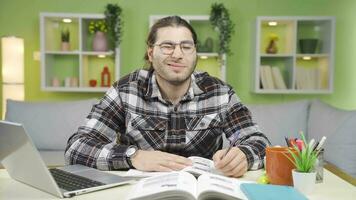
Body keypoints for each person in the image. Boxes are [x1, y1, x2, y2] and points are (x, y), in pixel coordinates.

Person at [65, 16, 270, 178]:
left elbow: (259, 142)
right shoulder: (125, 91)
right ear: (151, 53)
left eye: (186, 46)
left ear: (195, 53)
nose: (178, 54)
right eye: (168, 46)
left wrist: (244, 154)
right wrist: (133, 156)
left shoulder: (220, 93)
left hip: (204, 191)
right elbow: (76, 147)